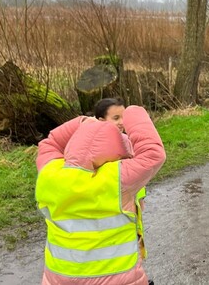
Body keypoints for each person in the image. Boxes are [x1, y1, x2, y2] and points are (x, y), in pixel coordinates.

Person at [35, 106, 166, 285]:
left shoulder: (49, 173)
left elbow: (50, 143)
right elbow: (153, 154)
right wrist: (134, 112)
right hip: (117, 279)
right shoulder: (117, 178)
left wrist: (82, 122)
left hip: (59, 278)